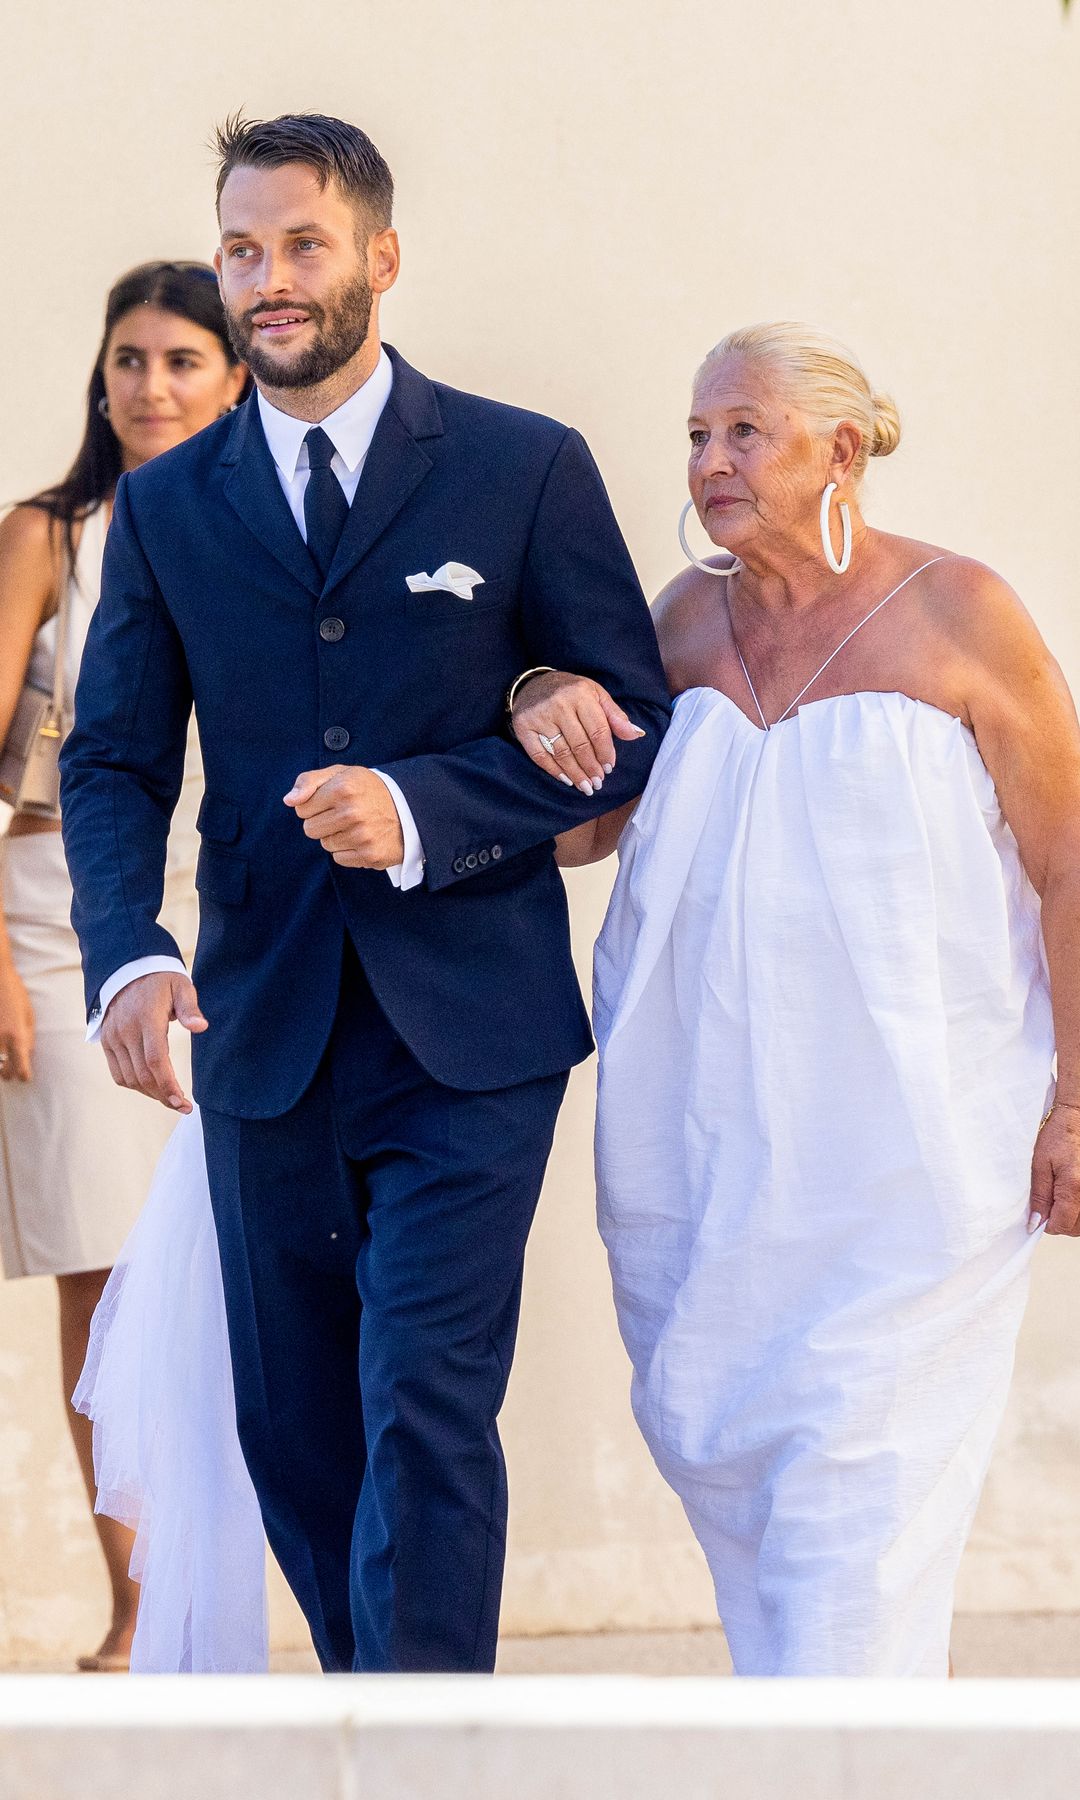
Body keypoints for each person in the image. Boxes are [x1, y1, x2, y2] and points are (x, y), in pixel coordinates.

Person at [60, 111, 671, 1675]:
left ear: (380, 258)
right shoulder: (174, 507)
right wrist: (128, 956)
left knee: (424, 1402)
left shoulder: (523, 466)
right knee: (302, 1435)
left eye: (302, 245)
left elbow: (630, 732)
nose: (268, 281)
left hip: (473, 1030)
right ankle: (375, 1723)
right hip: (261, 1035)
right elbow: (117, 760)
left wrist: (425, 804)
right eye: (242, 249)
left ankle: (427, 1756)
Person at [510, 322, 1080, 1677]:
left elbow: (1068, 861)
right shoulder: (684, 620)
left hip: (911, 1166)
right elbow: (592, 826)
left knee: (856, 1513)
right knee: (762, 1519)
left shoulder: (963, 609)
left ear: (838, 446)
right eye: (698, 435)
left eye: (742, 432)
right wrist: (535, 699)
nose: (709, 461)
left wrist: (1079, 1098)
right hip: (709, 1161)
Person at [0, 262, 247, 1672]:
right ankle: (140, 1599)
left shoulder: (255, 531)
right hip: (56, 920)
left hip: (226, 930)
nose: (149, 386)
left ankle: (222, 1582)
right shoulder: (48, 534)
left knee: (222, 1265)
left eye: (180, 362)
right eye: (129, 360)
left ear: (231, 379)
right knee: (101, 1263)